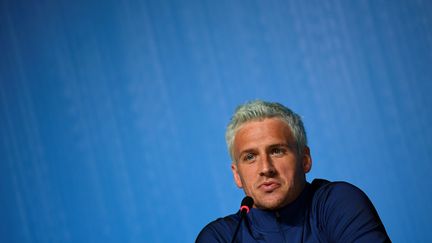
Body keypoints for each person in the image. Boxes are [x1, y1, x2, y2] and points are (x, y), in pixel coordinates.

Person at [196, 100, 390, 242]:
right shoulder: (220, 237)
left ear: (305, 160)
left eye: (277, 151)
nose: (265, 168)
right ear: (237, 175)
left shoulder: (337, 203)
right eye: (250, 157)